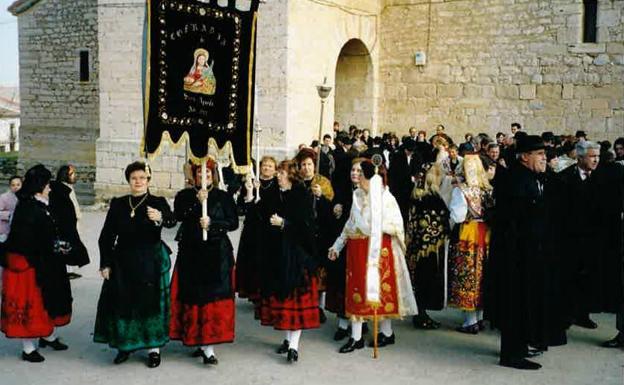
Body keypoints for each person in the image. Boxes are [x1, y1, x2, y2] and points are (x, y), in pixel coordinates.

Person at [489, 135, 566, 370]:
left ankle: (519, 346)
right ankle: (511, 354)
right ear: (524, 157)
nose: (544, 158)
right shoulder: (514, 180)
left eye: (545, 154)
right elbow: (514, 220)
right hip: (516, 255)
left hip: (530, 252)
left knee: (524, 302)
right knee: (514, 302)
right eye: (539, 154)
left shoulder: (533, 177)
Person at [328, 161, 418, 353]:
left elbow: (396, 223)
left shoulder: (385, 197)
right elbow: (350, 224)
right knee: (357, 291)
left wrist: (377, 227)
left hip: (378, 250)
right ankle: (356, 337)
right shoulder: (357, 196)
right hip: (357, 251)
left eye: (360, 173)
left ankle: (386, 333)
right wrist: (337, 245)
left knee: (380, 292)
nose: (357, 177)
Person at [94, 161, 177, 368]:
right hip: (123, 260)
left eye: (142, 178)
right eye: (134, 178)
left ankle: (153, 349)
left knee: (149, 305)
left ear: (148, 180)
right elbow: (106, 236)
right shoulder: (119, 203)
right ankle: (125, 346)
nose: (138, 181)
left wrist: (160, 218)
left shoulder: (157, 201)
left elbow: (171, 221)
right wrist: (105, 263)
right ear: (129, 181)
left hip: (150, 260)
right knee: (124, 303)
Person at [169, 159, 238, 365]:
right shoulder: (184, 195)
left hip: (217, 252)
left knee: (211, 297)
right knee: (194, 296)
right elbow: (178, 216)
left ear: (213, 175)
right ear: (195, 176)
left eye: (208, 173)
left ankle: (209, 348)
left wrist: (213, 223)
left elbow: (233, 223)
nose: (204, 177)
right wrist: (197, 203)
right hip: (192, 251)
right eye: (200, 173)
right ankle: (197, 340)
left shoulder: (223, 197)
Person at [1, 165, 72, 363]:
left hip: (45, 261)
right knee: (31, 304)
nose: (49, 187)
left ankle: (47, 336)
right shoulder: (27, 208)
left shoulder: (40, 204)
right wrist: (52, 248)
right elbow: (25, 240)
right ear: (39, 186)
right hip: (28, 265)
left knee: (47, 300)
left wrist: (58, 246)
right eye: (47, 184)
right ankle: (28, 348)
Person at [258, 160, 320, 363]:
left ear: (291, 175)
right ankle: (287, 340)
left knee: (296, 303)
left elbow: (306, 227)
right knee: (284, 302)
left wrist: (285, 223)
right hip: (278, 256)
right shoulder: (275, 194)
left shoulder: (302, 195)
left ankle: (294, 346)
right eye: (278, 173)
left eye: (281, 174)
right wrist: (250, 193)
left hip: (297, 258)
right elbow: (259, 215)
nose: (278, 176)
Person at [557, 141, 602, 330]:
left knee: (588, 278)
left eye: (597, 156)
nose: (596, 160)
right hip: (570, 238)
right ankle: (566, 315)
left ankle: (583, 313)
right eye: (592, 156)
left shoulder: (602, 178)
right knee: (569, 277)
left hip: (593, 238)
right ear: (580, 157)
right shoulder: (565, 178)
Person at [447, 154, 493, 334]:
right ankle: (480, 318)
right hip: (486, 233)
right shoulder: (487, 188)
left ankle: (470, 321)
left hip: (469, 232)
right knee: (482, 273)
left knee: (468, 273)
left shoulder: (462, 190)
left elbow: (457, 215)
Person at [406, 162, 450, 329]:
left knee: (419, 278)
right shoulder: (433, 199)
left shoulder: (417, 195)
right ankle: (421, 315)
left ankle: (420, 313)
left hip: (417, 245)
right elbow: (441, 223)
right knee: (426, 279)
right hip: (430, 247)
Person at [295, 148, 335, 323]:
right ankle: (305, 304)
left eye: (309, 164)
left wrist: (320, 197)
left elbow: (331, 210)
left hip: (319, 232)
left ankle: (319, 306)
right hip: (301, 233)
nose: (306, 168)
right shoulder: (296, 182)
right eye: (303, 164)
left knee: (320, 273)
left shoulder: (323, 182)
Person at [326, 158, 363, 340]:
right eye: (353, 170)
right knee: (341, 284)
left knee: (358, 285)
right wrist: (336, 208)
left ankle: (359, 324)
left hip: (361, 246)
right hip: (343, 242)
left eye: (358, 171)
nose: (354, 174)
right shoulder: (342, 191)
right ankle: (342, 324)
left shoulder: (368, 194)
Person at [236, 156, 279, 304]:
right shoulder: (251, 182)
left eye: (270, 166)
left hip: (269, 227)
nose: (267, 168)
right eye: (264, 165)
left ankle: (267, 291)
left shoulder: (277, 185)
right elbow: (241, 205)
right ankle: (254, 292)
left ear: (275, 169)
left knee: (267, 259)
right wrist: (249, 193)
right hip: (253, 226)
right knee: (252, 259)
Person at [49, 165, 90, 279]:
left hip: (73, 220)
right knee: (68, 243)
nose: (74, 176)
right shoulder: (62, 189)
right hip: (68, 222)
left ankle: (69, 269)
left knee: (71, 243)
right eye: (72, 174)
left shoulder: (68, 187)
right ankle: (66, 270)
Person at [0, 176, 21, 243]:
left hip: (17, 230)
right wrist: (10, 215)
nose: (16, 187)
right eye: (13, 185)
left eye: (18, 185)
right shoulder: (4, 197)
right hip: (4, 229)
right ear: (10, 186)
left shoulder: (24, 198)